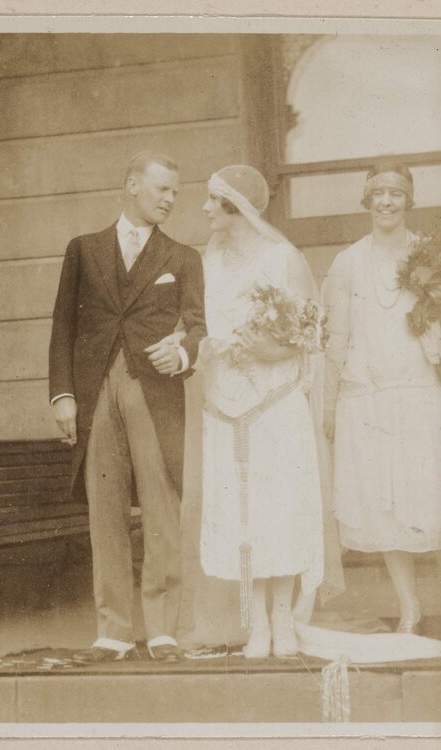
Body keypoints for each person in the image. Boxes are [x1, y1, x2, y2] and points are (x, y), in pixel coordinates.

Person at [47, 151, 207, 662]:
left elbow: (198, 326)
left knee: (161, 506)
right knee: (105, 509)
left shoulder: (182, 257)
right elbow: (63, 328)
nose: (169, 200)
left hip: (154, 393)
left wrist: (181, 352)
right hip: (95, 393)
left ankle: (161, 629)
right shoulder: (84, 250)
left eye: (175, 194)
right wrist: (64, 395)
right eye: (161, 189)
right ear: (132, 184)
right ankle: (113, 631)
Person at [322, 162, 441, 634]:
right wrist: (328, 405)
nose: (386, 201)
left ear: (408, 200)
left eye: (396, 193)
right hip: (368, 399)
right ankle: (410, 608)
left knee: (436, 500)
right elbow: (336, 337)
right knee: (385, 509)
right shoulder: (347, 263)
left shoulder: (432, 256)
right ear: (367, 199)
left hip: (421, 392)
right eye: (378, 192)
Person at [195, 165, 325, 659]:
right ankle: (256, 625)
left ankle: (282, 619)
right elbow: (199, 325)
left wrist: (274, 352)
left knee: (280, 507)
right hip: (226, 402)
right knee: (242, 513)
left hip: (274, 399)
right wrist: (207, 347)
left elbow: (315, 330)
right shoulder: (209, 265)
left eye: (213, 200)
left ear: (236, 206)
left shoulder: (282, 258)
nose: (206, 209)